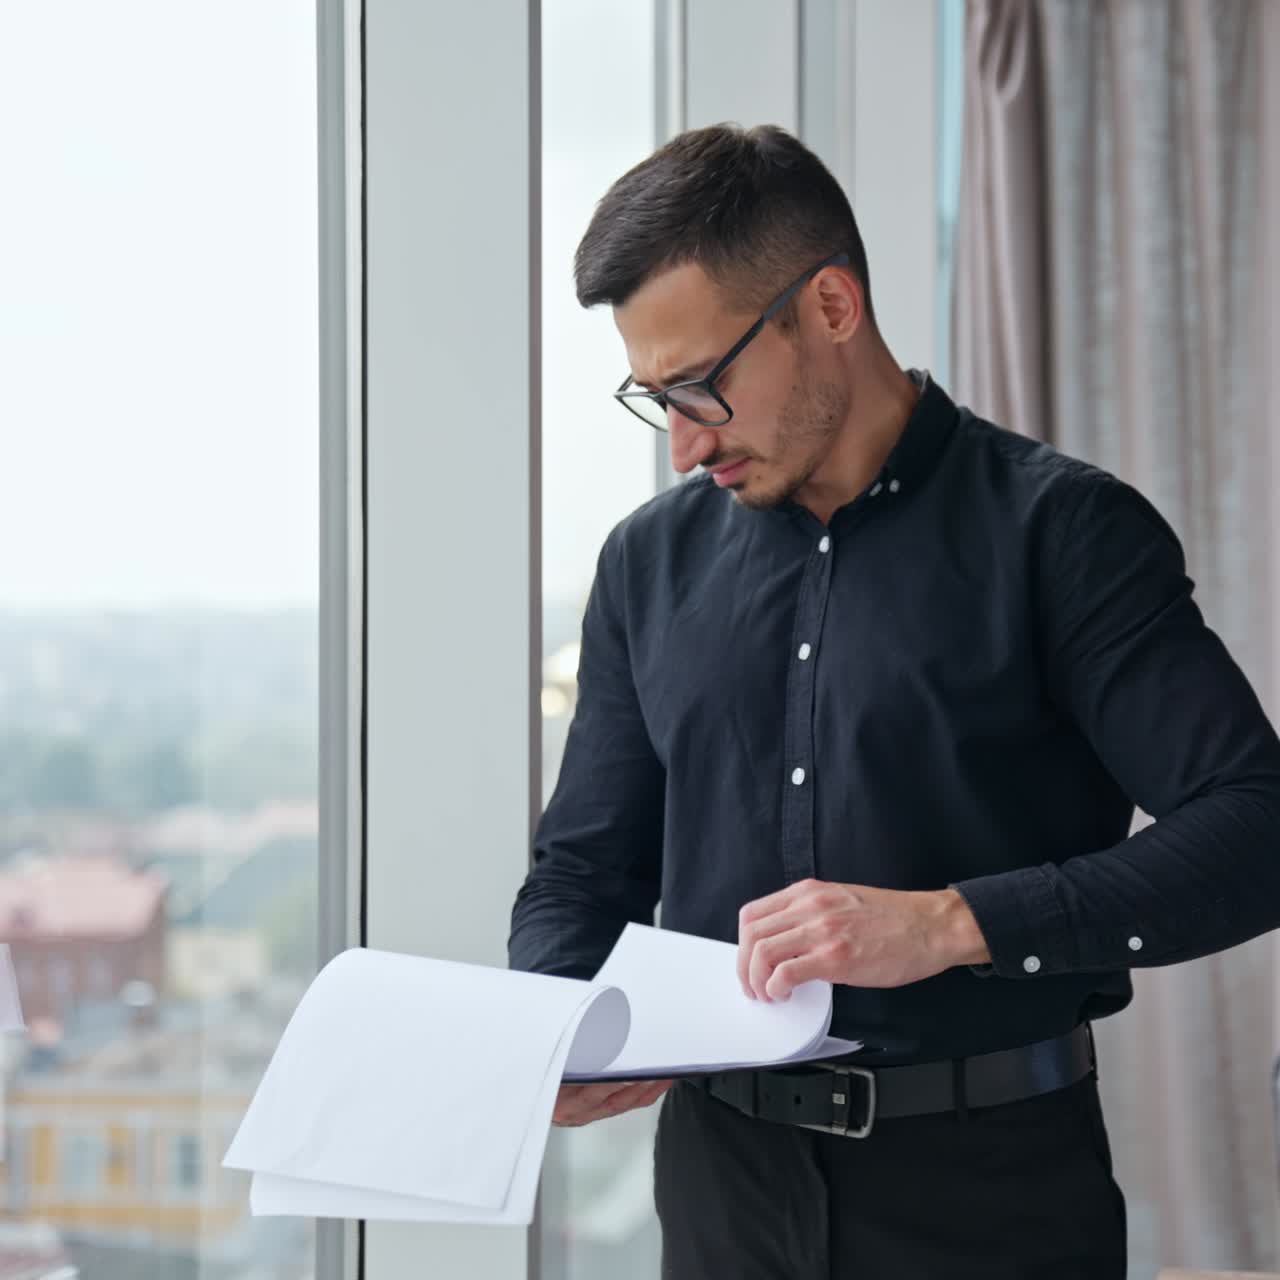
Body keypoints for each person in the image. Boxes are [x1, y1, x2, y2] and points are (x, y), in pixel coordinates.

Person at [507, 122, 1280, 1278]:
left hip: (992, 1197)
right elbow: (582, 866)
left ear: (829, 306)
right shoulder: (643, 565)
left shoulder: (1061, 534)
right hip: (720, 1194)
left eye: (701, 387)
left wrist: (948, 920)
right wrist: (549, 1026)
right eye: (650, 396)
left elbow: (1254, 826)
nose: (679, 444)